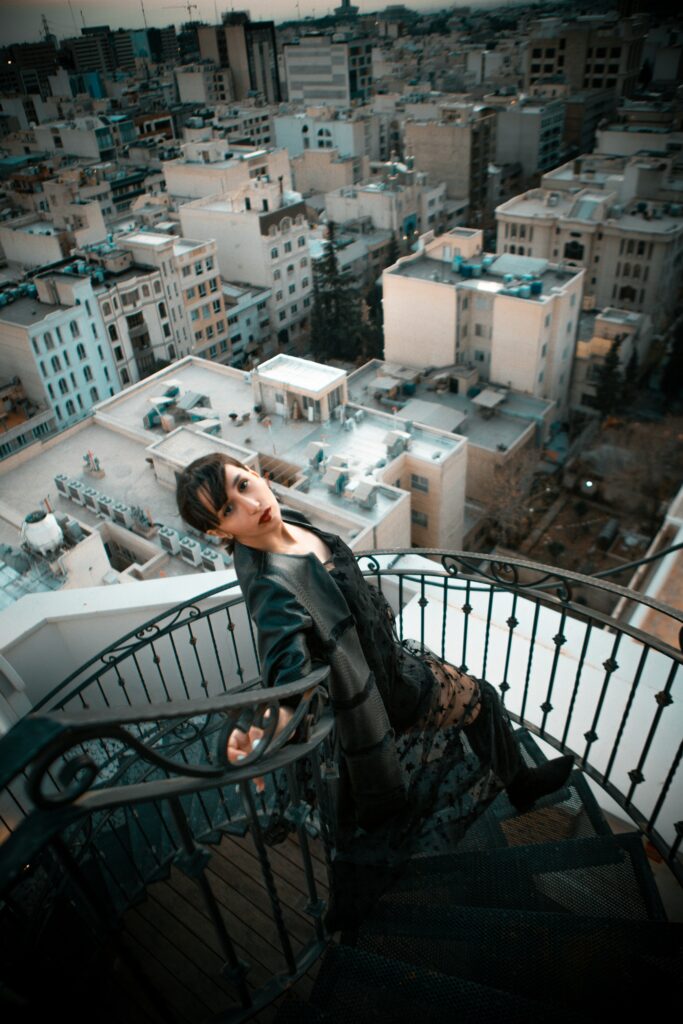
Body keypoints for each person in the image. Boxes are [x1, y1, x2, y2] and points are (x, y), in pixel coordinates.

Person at [176, 452, 574, 832]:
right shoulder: (271, 587)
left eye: (243, 484)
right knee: (482, 698)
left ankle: (518, 781)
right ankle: (521, 784)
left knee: (479, 699)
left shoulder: (286, 519)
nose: (251, 504)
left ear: (254, 473)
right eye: (228, 509)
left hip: (389, 659)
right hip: (383, 692)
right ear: (218, 531)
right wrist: (273, 722)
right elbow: (286, 665)